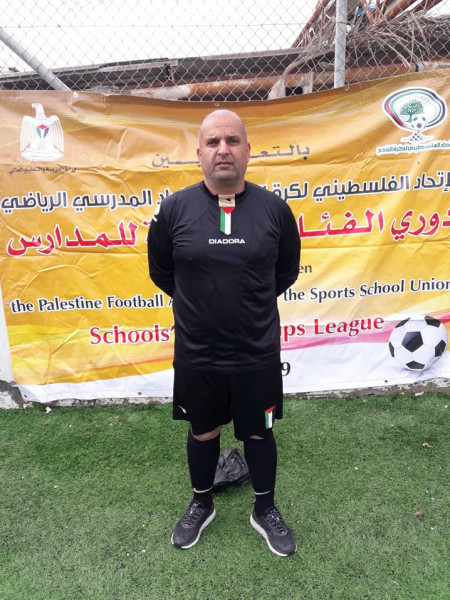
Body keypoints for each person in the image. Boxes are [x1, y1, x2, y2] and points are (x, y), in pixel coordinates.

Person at [147, 109, 300, 557]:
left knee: (260, 433)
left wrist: (244, 305)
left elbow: (285, 272)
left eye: (232, 140)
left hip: (256, 353)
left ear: (248, 151)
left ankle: (265, 509)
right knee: (202, 431)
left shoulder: (275, 210)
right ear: (199, 154)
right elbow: (162, 272)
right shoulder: (173, 210)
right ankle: (202, 502)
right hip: (199, 354)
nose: (223, 150)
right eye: (213, 142)